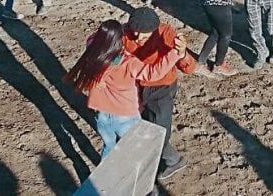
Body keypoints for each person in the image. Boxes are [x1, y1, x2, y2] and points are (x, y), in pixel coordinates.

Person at [63, 20, 187, 158]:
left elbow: (93, 38)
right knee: (136, 151)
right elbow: (153, 73)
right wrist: (176, 53)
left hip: (102, 117)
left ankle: (105, 176)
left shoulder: (93, 52)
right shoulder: (128, 63)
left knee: (109, 146)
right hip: (125, 116)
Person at [121, 7, 197, 180]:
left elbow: (189, 67)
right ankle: (170, 159)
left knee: (160, 131)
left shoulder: (167, 34)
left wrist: (183, 53)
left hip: (162, 88)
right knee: (145, 125)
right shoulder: (125, 33)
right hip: (137, 87)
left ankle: (172, 160)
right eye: (136, 32)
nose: (139, 38)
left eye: (145, 35)